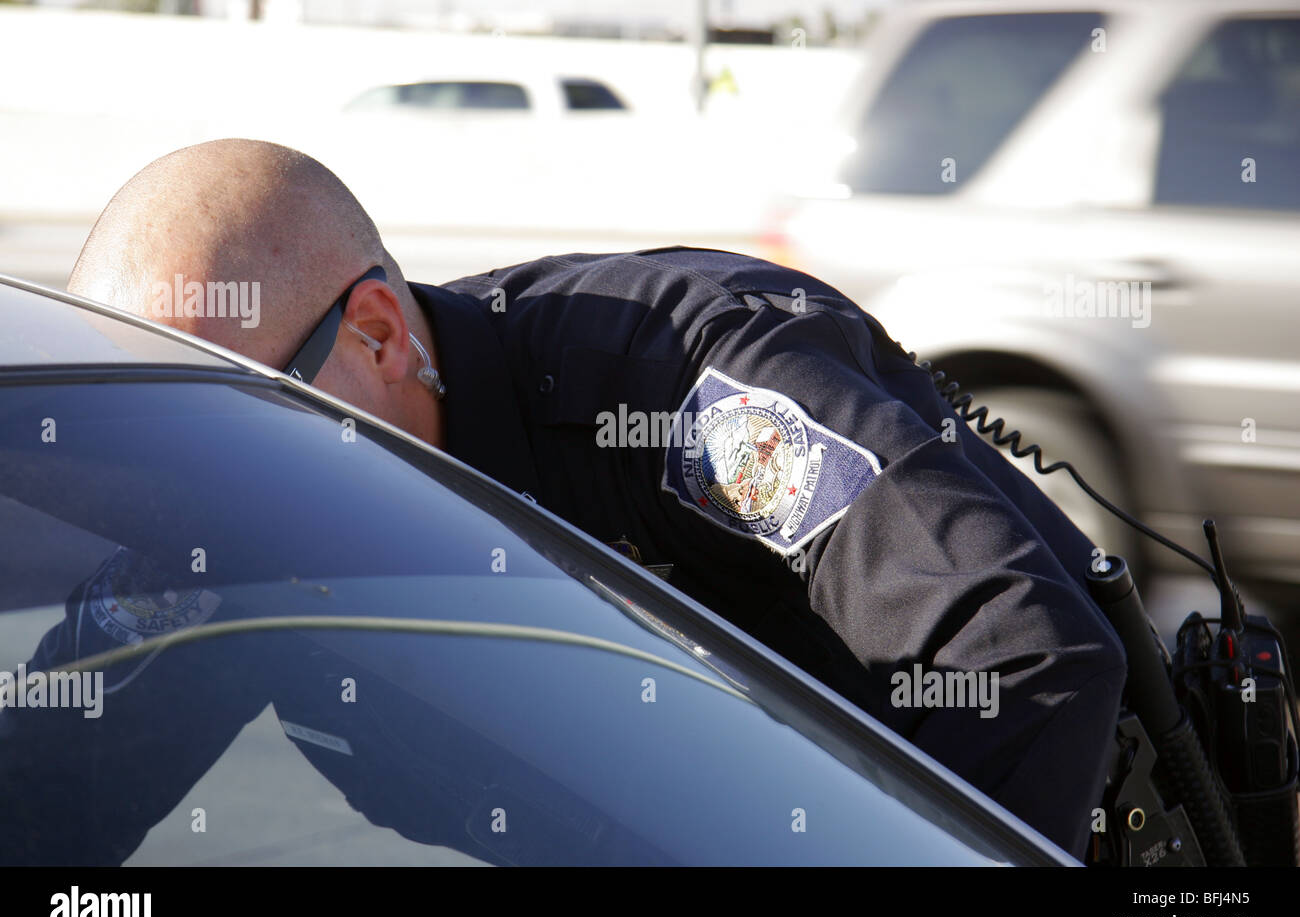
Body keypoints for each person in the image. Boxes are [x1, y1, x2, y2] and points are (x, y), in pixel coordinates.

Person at [65, 138, 1126, 858]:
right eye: (154, 452)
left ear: (378, 334)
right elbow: (55, 789)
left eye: (225, 430)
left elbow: (1018, 657)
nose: (191, 499)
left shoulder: (675, 394)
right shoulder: (224, 521)